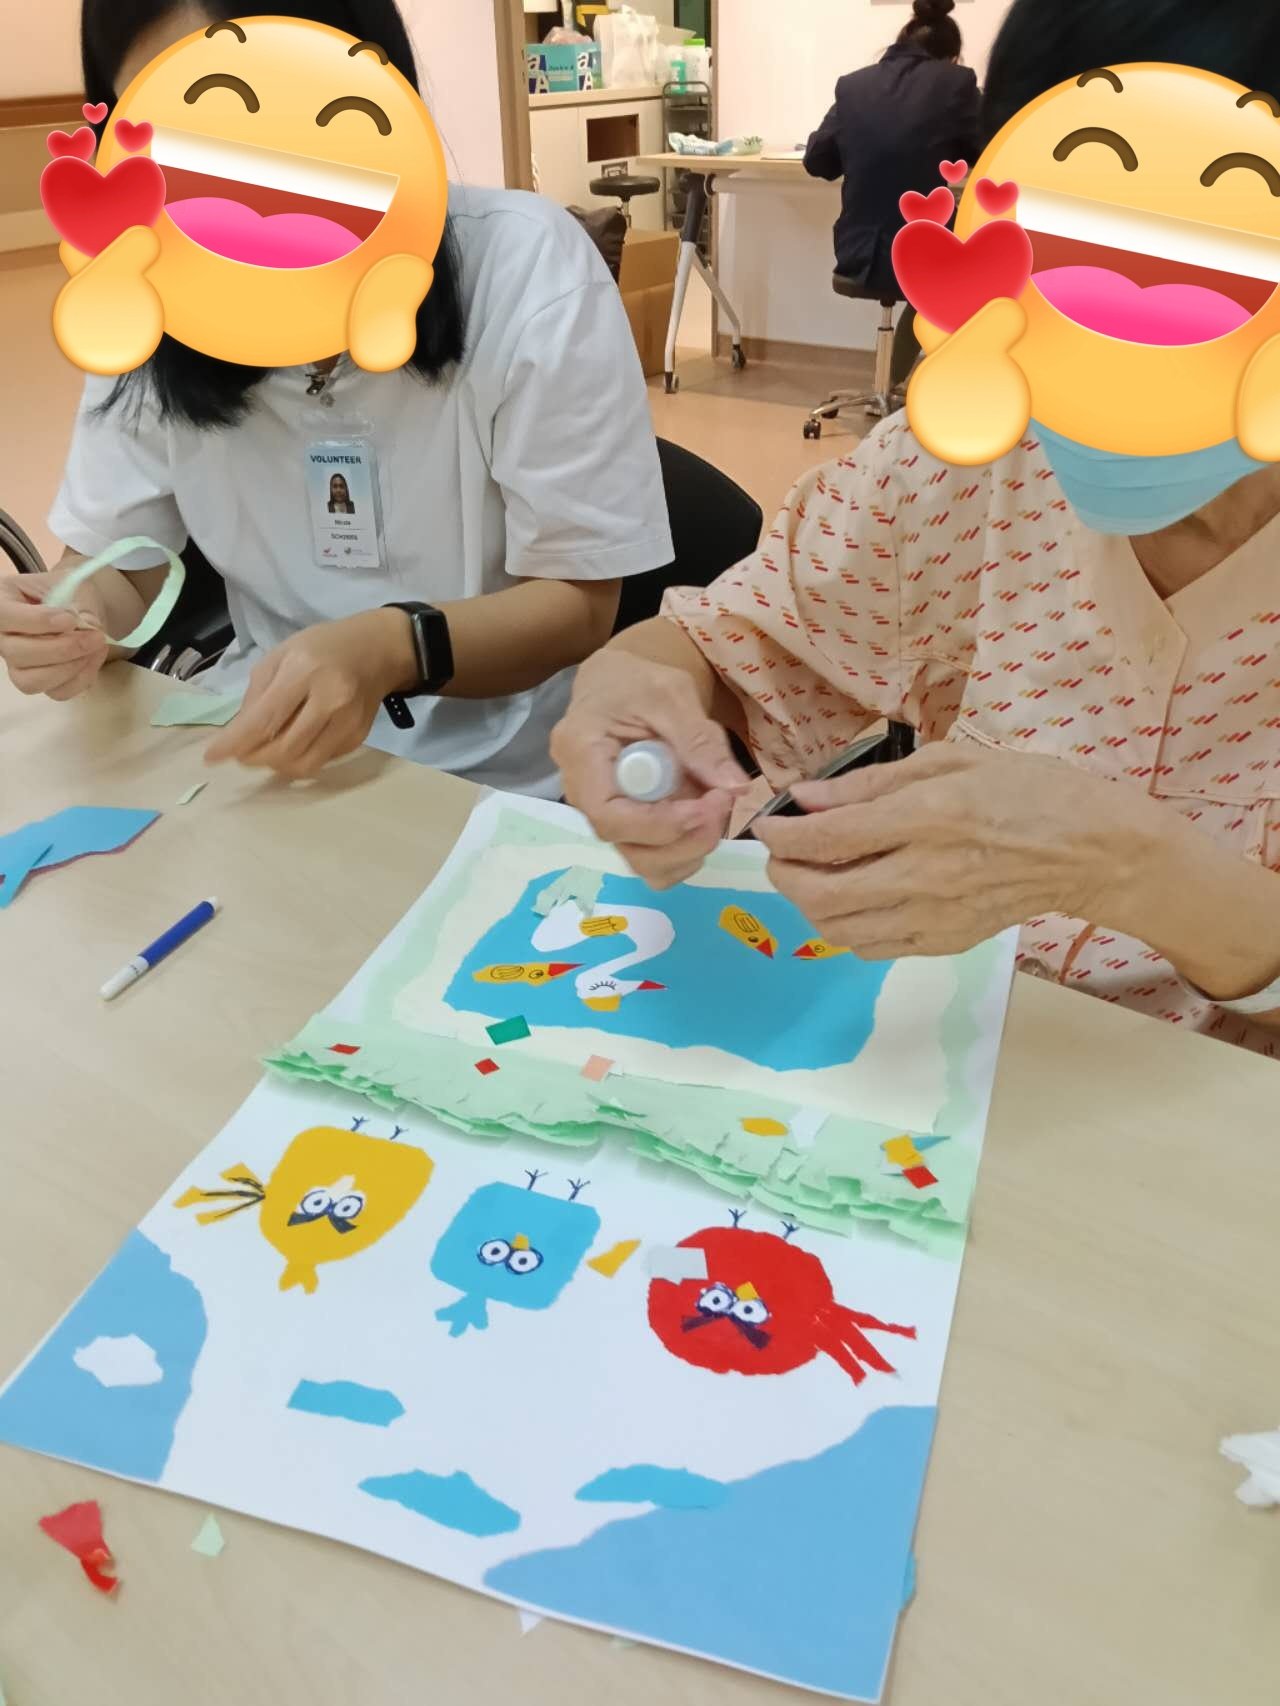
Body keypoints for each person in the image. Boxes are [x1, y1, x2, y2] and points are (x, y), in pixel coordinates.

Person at [552, 0, 1280, 1057]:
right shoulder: (969, 465)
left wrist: (1132, 867)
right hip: (948, 1070)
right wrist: (630, 684)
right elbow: (734, 643)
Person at [0, 0, 671, 795]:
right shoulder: (145, 295)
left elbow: (577, 604)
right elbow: (123, 567)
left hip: (497, 779)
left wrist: (390, 648)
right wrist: (72, 618)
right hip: (259, 756)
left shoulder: (525, 266)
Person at [803, 0, 980, 390]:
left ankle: (891, 384)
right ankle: (931, 386)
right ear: (951, 56)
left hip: (858, 253)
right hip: (921, 256)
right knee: (981, 258)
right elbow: (987, 151)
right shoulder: (956, 83)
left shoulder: (853, 86)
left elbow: (817, 161)